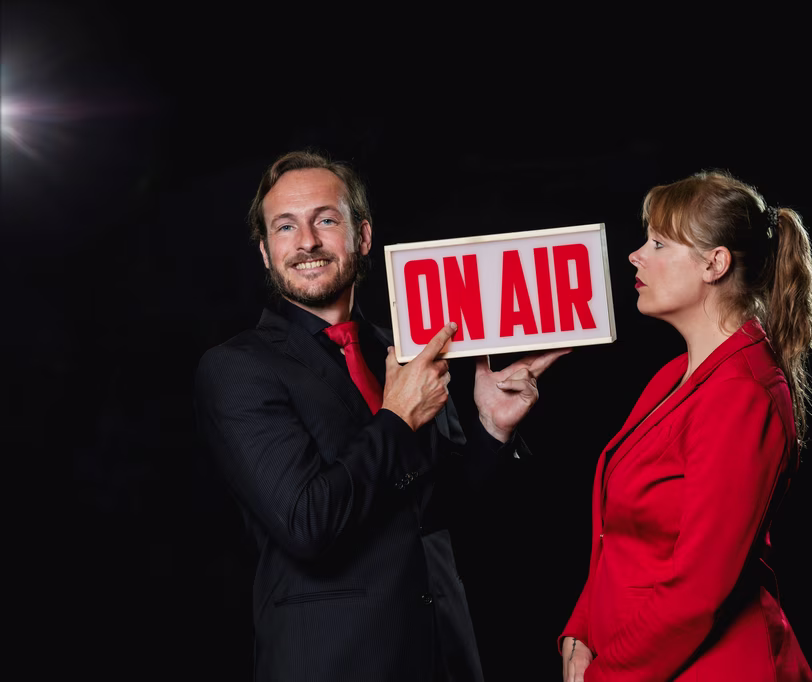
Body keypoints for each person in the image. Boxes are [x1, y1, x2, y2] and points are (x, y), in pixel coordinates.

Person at [194, 149, 567, 682]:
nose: (306, 242)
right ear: (265, 251)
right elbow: (307, 523)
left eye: (326, 220)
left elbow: (440, 512)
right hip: (333, 665)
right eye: (285, 227)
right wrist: (397, 418)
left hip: (445, 658)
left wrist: (492, 426)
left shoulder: (406, 349)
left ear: (363, 236)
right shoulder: (237, 368)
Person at [559, 170, 812, 681]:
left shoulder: (742, 394)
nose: (636, 255)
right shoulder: (674, 375)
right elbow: (621, 538)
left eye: (659, 243)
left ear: (714, 264)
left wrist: (603, 676)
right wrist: (581, 632)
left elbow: (698, 591)